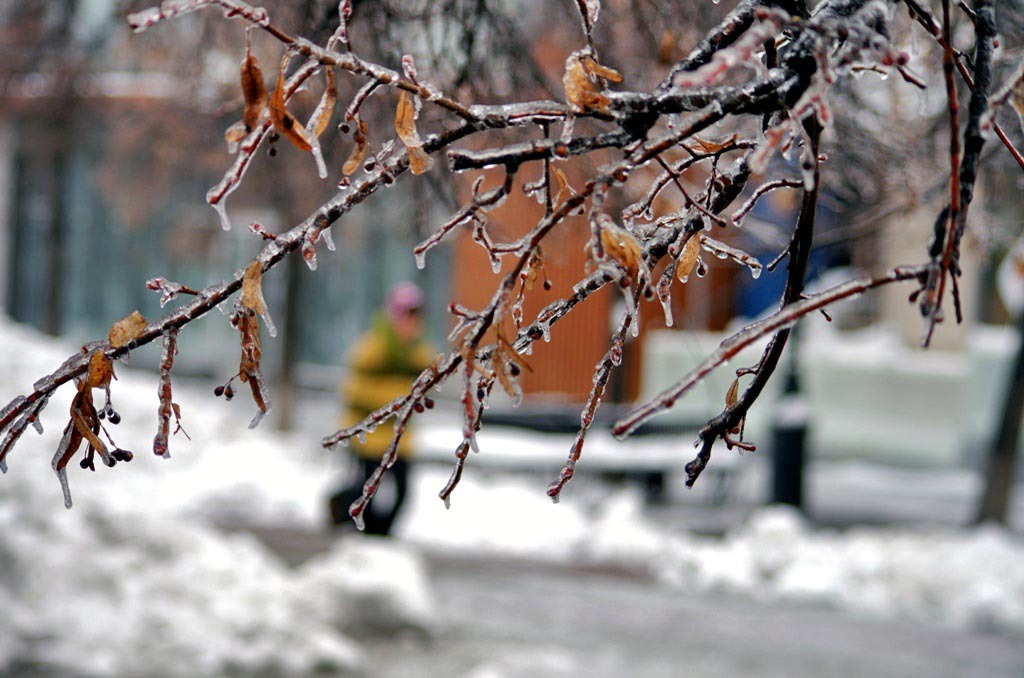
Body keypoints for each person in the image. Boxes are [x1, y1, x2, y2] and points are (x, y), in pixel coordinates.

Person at [329, 282, 434, 535]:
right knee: (366, 491)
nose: (411, 323)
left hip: (400, 440)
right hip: (370, 439)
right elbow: (355, 390)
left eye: (416, 316)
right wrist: (400, 394)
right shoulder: (371, 349)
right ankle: (357, 529)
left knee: (402, 493)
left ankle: (380, 535)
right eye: (407, 315)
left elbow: (427, 386)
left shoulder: (418, 353)